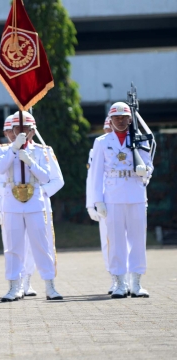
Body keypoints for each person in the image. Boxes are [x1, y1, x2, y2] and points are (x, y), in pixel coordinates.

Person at [0, 111, 62, 301]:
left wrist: (30, 162)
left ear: (33, 131)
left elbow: (47, 177)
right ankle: (14, 286)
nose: (21, 133)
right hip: (12, 202)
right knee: (13, 246)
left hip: (34, 202)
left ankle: (50, 285)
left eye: (25, 129)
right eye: (17, 129)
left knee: (41, 245)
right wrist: (14, 149)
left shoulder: (42, 150)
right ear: (12, 131)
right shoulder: (4, 150)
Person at [91, 102, 154, 298]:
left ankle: (136, 283)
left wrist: (145, 172)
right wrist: (97, 200)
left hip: (135, 194)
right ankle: (120, 283)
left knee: (137, 240)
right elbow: (96, 174)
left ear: (130, 119)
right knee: (116, 241)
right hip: (113, 196)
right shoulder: (102, 142)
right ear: (110, 120)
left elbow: (149, 165)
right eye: (116, 117)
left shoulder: (139, 139)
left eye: (123, 117)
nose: (119, 120)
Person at [86, 117, 115, 293]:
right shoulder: (97, 148)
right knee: (108, 241)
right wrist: (91, 204)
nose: (109, 134)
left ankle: (129, 277)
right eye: (107, 130)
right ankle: (114, 277)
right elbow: (92, 179)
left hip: (121, 198)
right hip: (103, 201)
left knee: (128, 240)